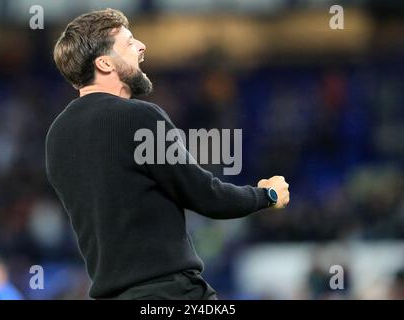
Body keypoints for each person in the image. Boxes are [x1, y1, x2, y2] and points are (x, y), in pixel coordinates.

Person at [46, 8, 290, 300]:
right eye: (129, 42)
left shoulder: (56, 136)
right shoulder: (139, 118)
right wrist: (266, 195)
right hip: (170, 294)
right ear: (104, 63)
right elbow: (206, 195)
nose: (141, 46)